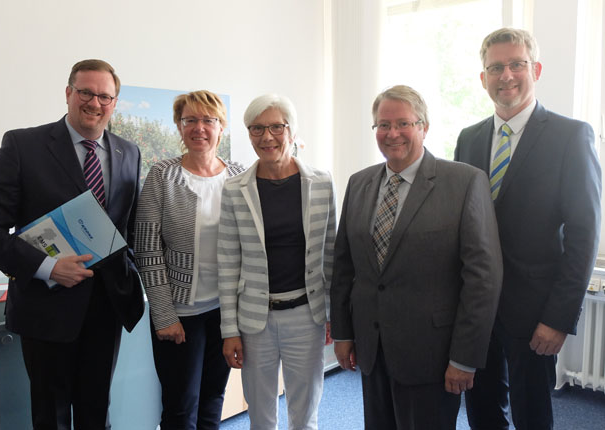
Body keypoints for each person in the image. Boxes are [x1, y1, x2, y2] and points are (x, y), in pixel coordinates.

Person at [330, 85, 503, 429]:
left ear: (424, 126)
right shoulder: (359, 183)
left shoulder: (464, 182)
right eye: (383, 125)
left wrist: (465, 359)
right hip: (372, 349)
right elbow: (344, 266)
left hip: (433, 355)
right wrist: (344, 333)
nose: (392, 133)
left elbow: (483, 279)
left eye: (403, 123)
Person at [454, 28, 601, 430]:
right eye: (495, 67)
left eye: (516, 64)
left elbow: (584, 235)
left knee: (532, 413)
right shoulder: (469, 140)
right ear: (482, 78)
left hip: (536, 311)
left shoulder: (571, 136)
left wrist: (559, 317)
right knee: (481, 408)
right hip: (478, 308)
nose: (506, 76)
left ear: (534, 69)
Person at [0, 59, 144, 429]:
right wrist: (48, 266)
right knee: (51, 414)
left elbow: (129, 227)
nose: (95, 103)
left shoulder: (128, 152)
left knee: (96, 408)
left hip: (108, 304)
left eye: (105, 96)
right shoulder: (23, 145)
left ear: (114, 102)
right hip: (46, 304)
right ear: (69, 93)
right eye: (86, 92)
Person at [218, 94, 336, 430]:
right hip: (255, 320)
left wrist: (332, 314)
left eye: (276, 127)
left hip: (306, 315)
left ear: (291, 130)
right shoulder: (235, 189)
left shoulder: (321, 182)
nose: (266, 137)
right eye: (256, 129)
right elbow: (228, 263)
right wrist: (230, 330)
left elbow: (331, 252)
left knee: (305, 413)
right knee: (261, 415)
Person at [134, 90, 244, 429]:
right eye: (190, 120)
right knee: (181, 408)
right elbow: (147, 248)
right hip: (182, 313)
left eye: (208, 120)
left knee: (213, 399)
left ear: (221, 127)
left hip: (226, 312)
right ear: (179, 128)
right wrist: (164, 315)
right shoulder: (162, 176)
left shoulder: (239, 175)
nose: (199, 128)